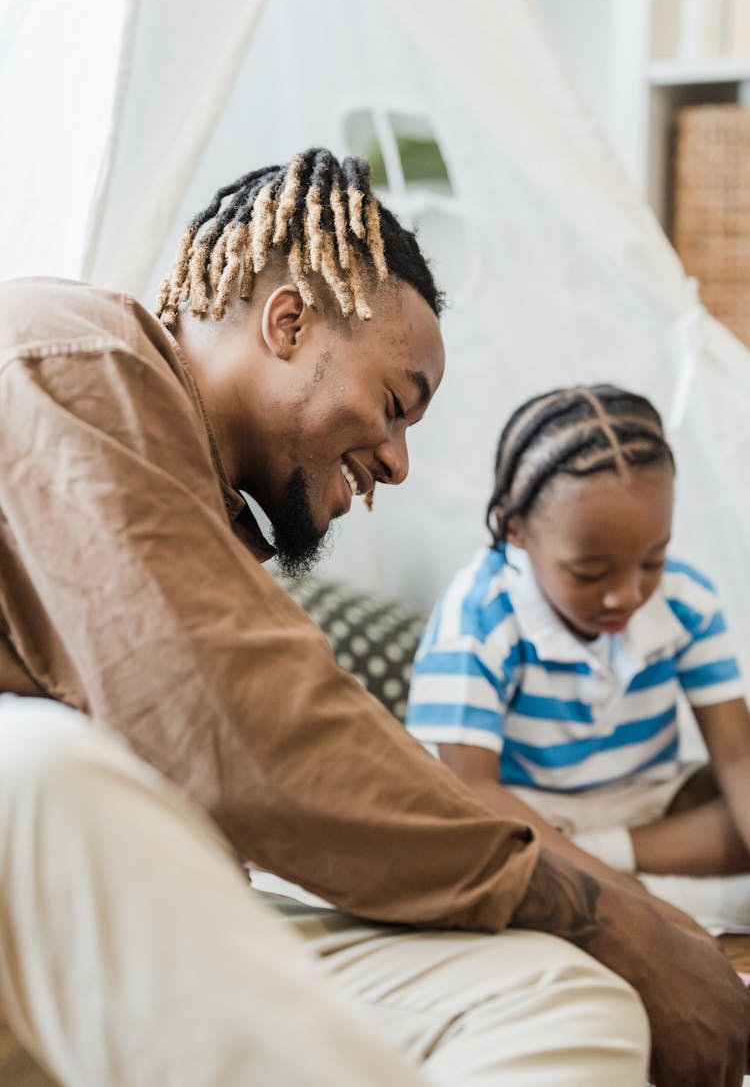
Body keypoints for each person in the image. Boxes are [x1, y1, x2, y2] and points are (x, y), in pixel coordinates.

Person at [0, 150, 748, 1087]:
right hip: (37, 853)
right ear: (288, 321)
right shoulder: (68, 355)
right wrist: (612, 912)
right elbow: (253, 723)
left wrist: (613, 930)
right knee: (35, 768)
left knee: (570, 998)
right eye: (397, 405)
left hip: (123, 905)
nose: (396, 463)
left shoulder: (202, 503)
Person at [407, 383, 750, 932]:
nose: (627, 596)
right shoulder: (480, 614)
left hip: (648, 809)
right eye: (589, 573)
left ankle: (588, 866)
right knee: (448, 841)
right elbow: (472, 789)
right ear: (514, 530)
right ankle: (602, 879)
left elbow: (738, 758)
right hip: (520, 811)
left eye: (652, 561)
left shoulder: (686, 601)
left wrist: (605, 861)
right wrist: (632, 900)